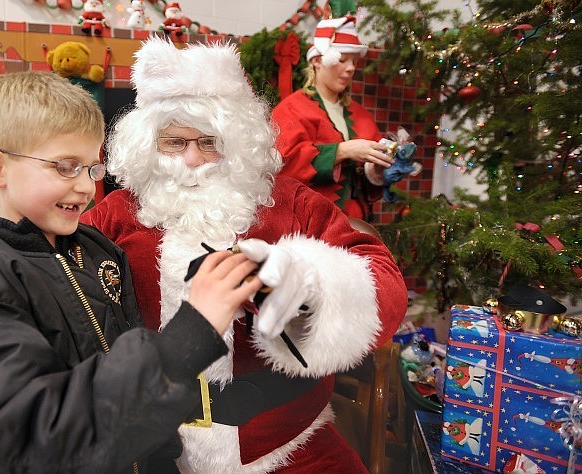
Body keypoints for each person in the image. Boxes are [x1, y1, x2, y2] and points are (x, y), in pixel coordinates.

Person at [0, 70, 263, 473]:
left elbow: (129, 377)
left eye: (93, 169)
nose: (86, 188)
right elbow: (43, 437)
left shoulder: (97, 251)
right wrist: (191, 334)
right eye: (65, 167)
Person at [81, 37, 408, 473]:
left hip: (285, 442)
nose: (193, 160)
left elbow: (381, 278)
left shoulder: (291, 204)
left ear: (238, 142)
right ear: (148, 143)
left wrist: (312, 288)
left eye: (209, 142)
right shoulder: (116, 214)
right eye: (175, 143)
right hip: (151, 449)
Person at [272, 16, 395, 220]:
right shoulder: (291, 110)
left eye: (354, 62)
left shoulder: (361, 115)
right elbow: (284, 166)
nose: (351, 68)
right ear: (317, 61)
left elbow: (368, 181)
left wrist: (380, 167)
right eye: (342, 59)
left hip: (357, 222)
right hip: (310, 224)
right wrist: (344, 150)